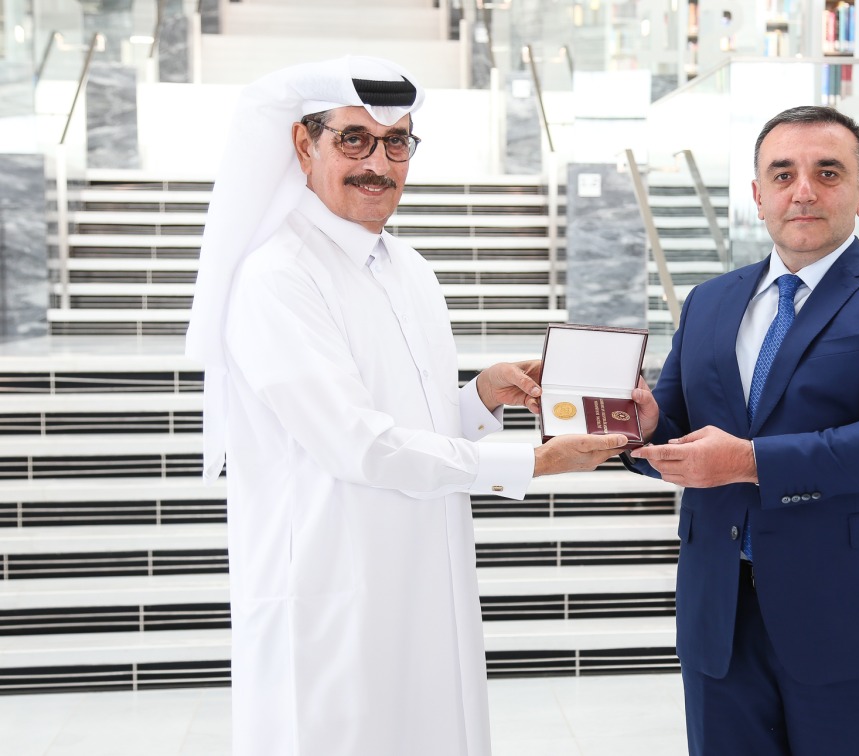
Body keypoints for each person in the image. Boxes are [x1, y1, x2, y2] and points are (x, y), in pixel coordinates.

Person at [184, 56, 625, 756]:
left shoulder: (409, 267)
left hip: (424, 574)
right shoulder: (277, 278)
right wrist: (533, 461)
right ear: (304, 144)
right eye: (354, 140)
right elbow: (360, 444)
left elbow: (408, 423)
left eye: (396, 143)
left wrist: (481, 397)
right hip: (334, 592)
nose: (378, 164)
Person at [626, 105, 859, 755]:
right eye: (782, 174)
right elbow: (673, 429)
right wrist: (641, 429)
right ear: (758, 195)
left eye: (827, 172)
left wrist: (749, 461)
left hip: (854, 615)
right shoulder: (709, 301)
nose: (802, 190)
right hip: (722, 615)